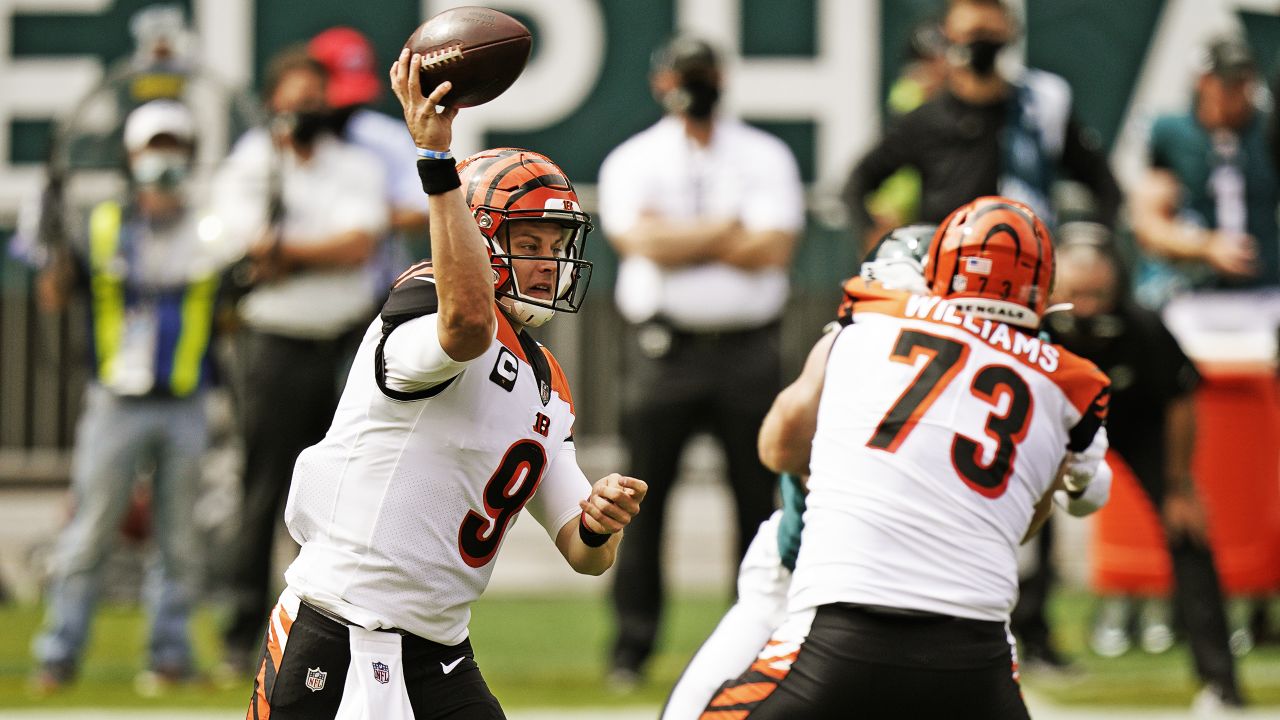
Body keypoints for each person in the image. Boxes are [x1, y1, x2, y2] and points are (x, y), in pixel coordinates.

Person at [244, 50, 648, 719]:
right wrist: (437, 165)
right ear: (482, 239)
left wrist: (602, 522)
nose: (549, 264)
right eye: (532, 243)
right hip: (339, 625)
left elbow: (583, 553)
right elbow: (465, 324)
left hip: (439, 650)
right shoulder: (425, 302)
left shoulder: (548, 384)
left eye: (557, 247)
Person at [699, 197, 1112, 719]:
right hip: (975, 649)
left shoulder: (867, 322)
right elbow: (1059, 505)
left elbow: (777, 448)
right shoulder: (1068, 384)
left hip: (839, 628)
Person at [660, 224, 936, 720]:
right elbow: (779, 449)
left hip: (913, 595)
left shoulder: (971, 375)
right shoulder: (849, 345)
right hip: (803, 578)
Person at [598, 35, 805, 687]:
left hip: (747, 349)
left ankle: (759, 637)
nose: (693, 86)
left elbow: (772, 247)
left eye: (702, 73)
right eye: (682, 75)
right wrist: (727, 229)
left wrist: (680, 236)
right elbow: (636, 238)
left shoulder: (763, 153)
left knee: (757, 501)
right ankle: (632, 647)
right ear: (661, 83)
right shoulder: (635, 156)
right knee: (640, 500)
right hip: (666, 350)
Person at [28, 100, 224, 694]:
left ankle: (169, 656)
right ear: (132, 157)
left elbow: (235, 302)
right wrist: (50, 232)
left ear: (188, 157)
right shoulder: (100, 221)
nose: (162, 159)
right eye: (152, 147)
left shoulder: (211, 224)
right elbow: (54, 295)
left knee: (180, 538)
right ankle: (58, 655)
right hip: (115, 397)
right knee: (89, 529)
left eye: (172, 146)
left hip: (188, 397)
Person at [211, 48, 389, 674]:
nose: (308, 110)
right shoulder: (253, 163)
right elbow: (244, 243)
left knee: (344, 497)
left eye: (318, 98)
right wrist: (291, 251)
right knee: (263, 489)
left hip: (343, 344)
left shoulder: (355, 165)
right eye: (297, 99)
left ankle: (334, 633)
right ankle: (241, 633)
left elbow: (358, 243)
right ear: (273, 104)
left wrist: (290, 254)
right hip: (274, 344)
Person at [1047, 223, 1245, 710]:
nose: (1087, 307)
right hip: (1058, 427)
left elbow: (1181, 401)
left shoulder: (1144, 328)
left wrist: (1179, 486)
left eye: (1097, 294)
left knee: (1188, 530)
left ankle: (1220, 679)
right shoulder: (1039, 327)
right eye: (1077, 294)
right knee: (1005, 520)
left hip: (1134, 425)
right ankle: (1026, 645)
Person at [843, 0, 1122, 248]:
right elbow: (858, 181)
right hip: (947, 277)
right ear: (949, 35)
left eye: (990, 35)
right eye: (974, 35)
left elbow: (1104, 184)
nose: (982, 46)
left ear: (1010, 33)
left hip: (1024, 272)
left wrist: (1088, 246)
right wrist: (878, 241)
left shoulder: (1039, 110)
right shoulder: (926, 120)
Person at [1130, 34, 1280, 315]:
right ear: (1204, 81)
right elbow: (1149, 224)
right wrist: (1206, 246)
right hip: (1189, 287)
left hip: (1265, 286)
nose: (1236, 92)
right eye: (1227, 82)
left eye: (1244, 81)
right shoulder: (1171, 133)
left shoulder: (1268, 131)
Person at [308, 26, 430, 292]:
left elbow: (421, 211)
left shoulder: (385, 136)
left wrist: (360, 219)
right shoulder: (278, 142)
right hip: (299, 292)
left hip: (378, 288)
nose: (346, 108)